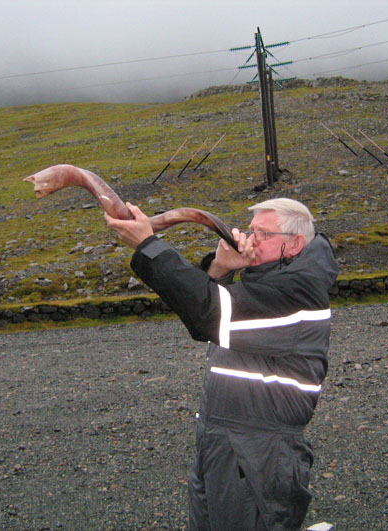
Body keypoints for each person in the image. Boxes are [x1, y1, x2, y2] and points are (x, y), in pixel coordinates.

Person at [105, 197, 338, 530]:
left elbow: (209, 315)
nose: (249, 239)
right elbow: (213, 315)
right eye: (251, 231)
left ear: (294, 244)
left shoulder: (299, 294)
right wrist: (220, 268)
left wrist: (148, 245)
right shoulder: (266, 283)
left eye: (263, 234)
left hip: (257, 453)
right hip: (218, 442)